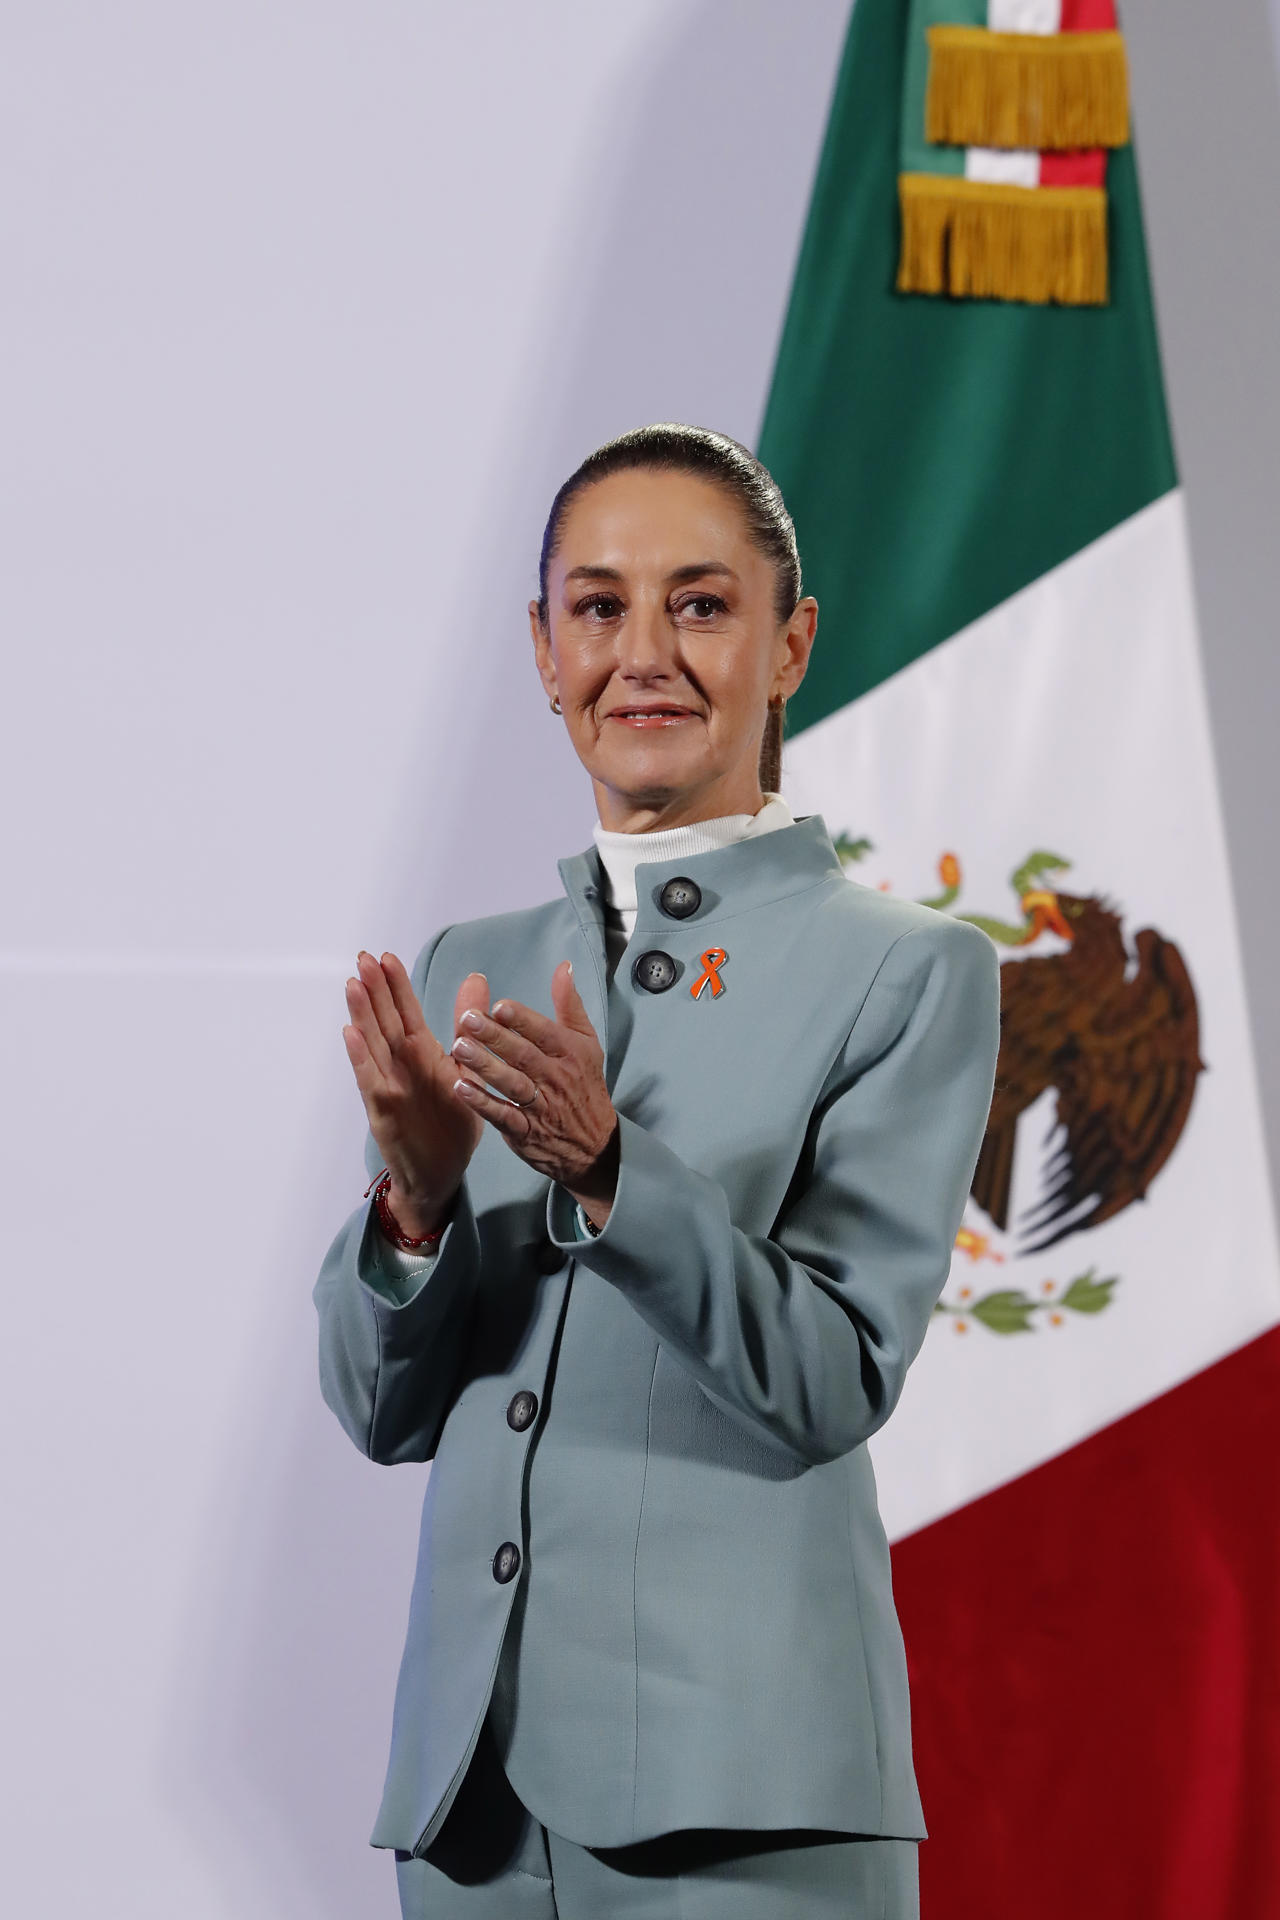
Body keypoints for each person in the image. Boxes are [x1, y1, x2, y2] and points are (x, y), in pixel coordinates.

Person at [313, 423, 1001, 1919]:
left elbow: (831, 1377)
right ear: (545, 651)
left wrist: (612, 1169)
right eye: (598, 606)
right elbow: (382, 1414)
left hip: (746, 1818)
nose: (645, 653)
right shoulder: (470, 966)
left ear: (791, 644)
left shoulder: (907, 972)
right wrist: (417, 1212)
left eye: (700, 604)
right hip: (470, 1814)